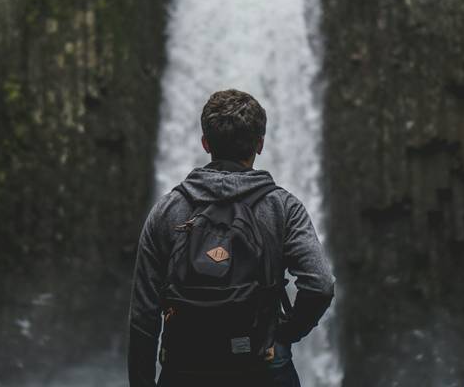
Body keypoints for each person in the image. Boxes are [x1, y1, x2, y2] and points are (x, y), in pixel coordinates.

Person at [128, 89, 335, 387]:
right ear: (260, 144)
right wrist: (285, 334)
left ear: (205, 143)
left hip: (185, 369)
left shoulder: (167, 210)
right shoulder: (283, 207)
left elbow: (143, 315)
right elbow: (320, 284)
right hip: (262, 366)